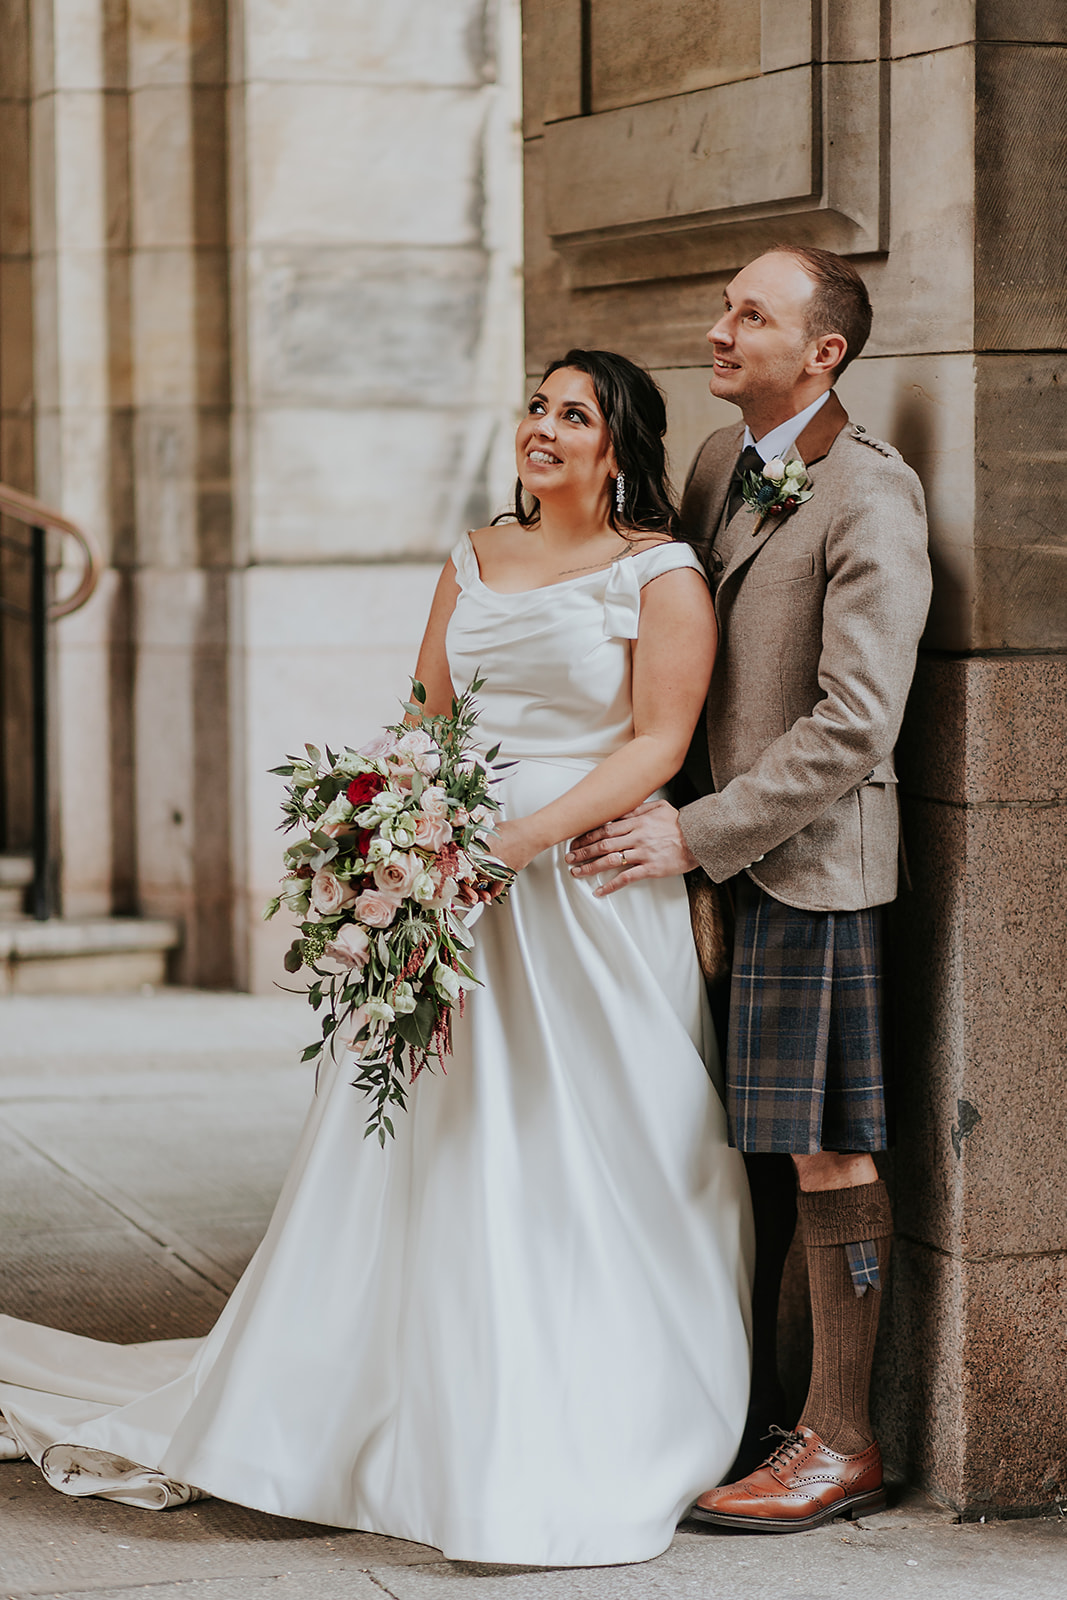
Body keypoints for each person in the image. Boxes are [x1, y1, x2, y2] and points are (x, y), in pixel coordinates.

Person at [0, 350, 753, 1567]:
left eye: (575, 414)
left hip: (583, 894)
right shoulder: (474, 555)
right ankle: (397, 1391)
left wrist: (511, 844)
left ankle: (604, 1393)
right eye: (537, 406)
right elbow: (426, 719)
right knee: (443, 1138)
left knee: (604, 1136)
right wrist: (390, 834)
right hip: (447, 881)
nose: (544, 427)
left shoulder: (657, 574)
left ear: (619, 451)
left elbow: (657, 744)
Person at [568, 249, 932, 1531]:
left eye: (750, 315)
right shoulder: (723, 466)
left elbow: (852, 726)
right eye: (725, 307)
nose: (717, 329)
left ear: (821, 350)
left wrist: (692, 835)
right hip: (714, 862)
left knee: (826, 1147)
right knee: (754, 1156)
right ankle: (750, 1406)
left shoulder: (871, 496)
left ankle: (842, 1441)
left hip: (808, 869)